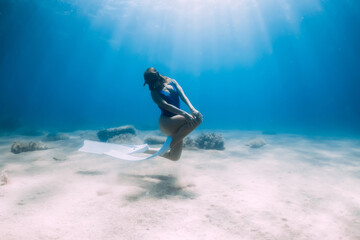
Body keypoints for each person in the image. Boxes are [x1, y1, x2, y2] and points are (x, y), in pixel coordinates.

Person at [143, 67, 203, 161]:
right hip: (166, 122)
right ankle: (168, 146)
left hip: (177, 121)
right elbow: (166, 106)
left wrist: (192, 109)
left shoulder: (172, 81)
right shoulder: (154, 93)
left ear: (158, 75)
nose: (153, 84)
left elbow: (183, 96)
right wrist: (185, 114)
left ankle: (146, 150)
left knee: (174, 157)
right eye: (150, 83)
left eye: (153, 81)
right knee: (197, 120)